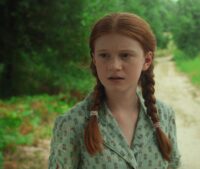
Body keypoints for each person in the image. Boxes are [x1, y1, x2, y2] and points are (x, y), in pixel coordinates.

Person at [48, 12, 181, 169]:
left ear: (146, 60)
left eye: (125, 55)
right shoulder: (72, 123)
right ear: (94, 59)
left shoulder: (164, 115)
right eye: (104, 55)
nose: (114, 66)